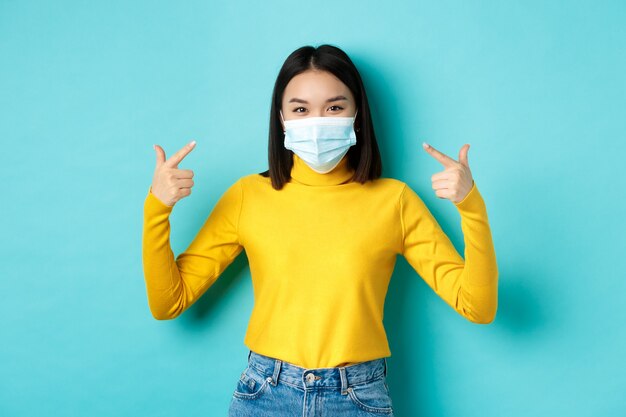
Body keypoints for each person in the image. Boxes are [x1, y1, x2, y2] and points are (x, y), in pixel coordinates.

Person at [142, 44, 498, 416]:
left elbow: (478, 306)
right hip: (266, 392)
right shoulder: (248, 196)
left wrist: (471, 205)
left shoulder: (396, 201)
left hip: (358, 397)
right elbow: (168, 303)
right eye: (300, 109)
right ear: (281, 118)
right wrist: (157, 208)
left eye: (334, 107)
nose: (317, 121)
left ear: (357, 114)